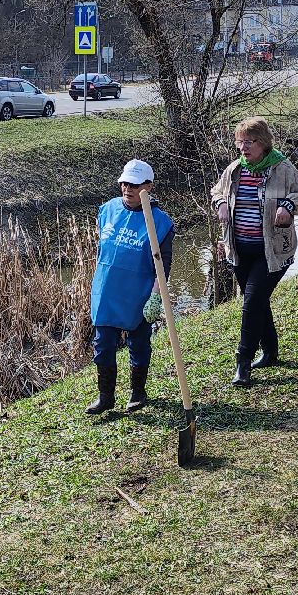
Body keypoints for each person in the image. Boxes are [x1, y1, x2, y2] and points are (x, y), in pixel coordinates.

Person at [211, 117, 298, 387]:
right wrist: (221, 203)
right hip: (239, 251)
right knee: (257, 301)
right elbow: (217, 191)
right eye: (240, 142)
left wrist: (288, 206)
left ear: (263, 143)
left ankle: (243, 363)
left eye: (249, 142)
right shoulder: (234, 170)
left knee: (251, 302)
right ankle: (270, 351)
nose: (243, 147)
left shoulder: (283, 168)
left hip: (273, 252)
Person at [86, 159, 174, 415]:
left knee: (139, 345)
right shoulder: (107, 210)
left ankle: (138, 392)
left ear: (149, 186)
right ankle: (106, 396)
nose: (128, 189)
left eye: (135, 185)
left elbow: (163, 267)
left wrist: (156, 297)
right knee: (102, 346)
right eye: (124, 183)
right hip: (107, 291)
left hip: (139, 294)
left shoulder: (160, 223)